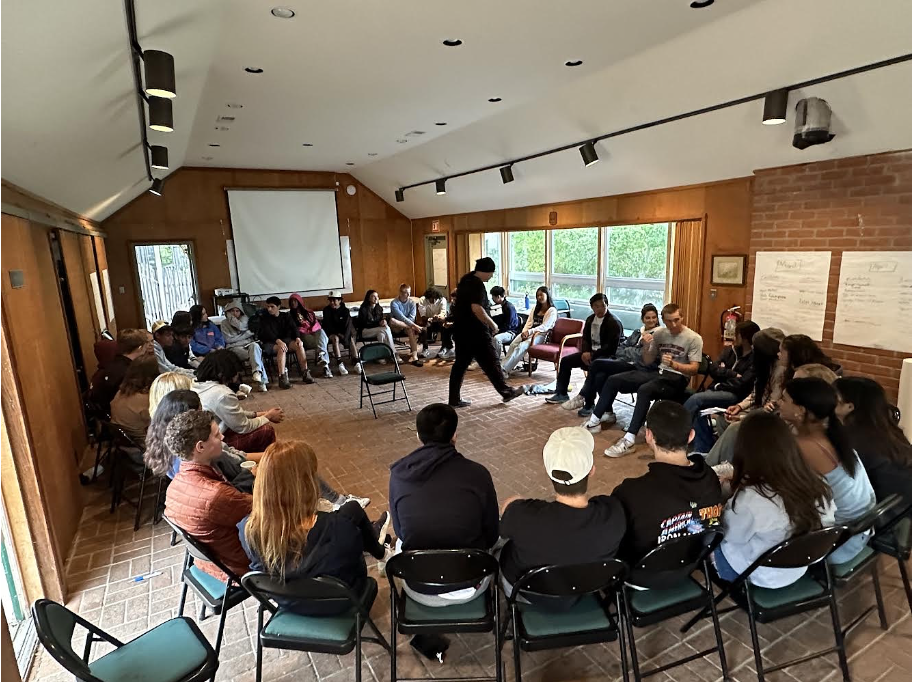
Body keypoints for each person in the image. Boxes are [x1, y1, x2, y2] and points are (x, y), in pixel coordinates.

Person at [238, 441, 390, 615]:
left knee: (351, 511)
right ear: (306, 483)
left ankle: (380, 548)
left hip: (289, 603)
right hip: (343, 602)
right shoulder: (337, 528)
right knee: (352, 509)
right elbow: (354, 564)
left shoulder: (247, 529)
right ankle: (382, 552)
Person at [388, 403, 499, 606]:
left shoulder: (399, 475)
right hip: (470, 582)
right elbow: (491, 535)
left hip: (418, 585)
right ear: (454, 435)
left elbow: (402, 533)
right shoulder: (477, 474)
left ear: (418, 436)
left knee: (399, 544)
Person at [499, 428, 625, 599]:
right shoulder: (613, 511)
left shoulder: (523, 516)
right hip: (588, 590)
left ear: (548, 471)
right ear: (591, 470)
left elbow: (507, 509)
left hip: (530, 595)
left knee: (499, 548)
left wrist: (521, 502)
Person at [713, 411, 835, 587]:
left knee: (704, 530)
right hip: (798, 567)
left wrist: (722, 507)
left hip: (759, 573)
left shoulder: (751, 499)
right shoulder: (817, 481)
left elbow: (730, 536)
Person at [587, 303, 704, 459]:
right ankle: (593, 422)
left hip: (678, 377)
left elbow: (695, 369)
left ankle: (629, 440)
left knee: (645, 390)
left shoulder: (694, 338)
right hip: (658, 374)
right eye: (669, 321)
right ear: (663, 320)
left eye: (677, 320)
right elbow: (648, 361)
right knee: (613, 380)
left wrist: (674, 364)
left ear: (682, 317)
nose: (673, 324)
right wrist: (647, 346)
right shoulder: (660, 334)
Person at [779, 378, 876, 564]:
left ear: (801, 410)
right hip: (860, 532)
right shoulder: (833, 433)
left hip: (838, 544)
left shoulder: (804, 446)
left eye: (784, 399)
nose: (778, 403)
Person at [611, 401, 723, 560]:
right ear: (691, 435)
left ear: (649, 436)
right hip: (690, 563)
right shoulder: (711, 477)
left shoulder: (631, 492)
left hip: (643, 577)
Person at [163, 410, 252, 579]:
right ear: (200, 447)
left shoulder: (174, 487)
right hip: (239, 567)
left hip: (208, 563)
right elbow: (266, 508)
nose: (222, 438)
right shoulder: (215, 494)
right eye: (217, 435)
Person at [835, 377, 912, 524]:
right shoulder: (889, 431)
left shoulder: (851, 441)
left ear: (849, 407)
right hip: (901, 514)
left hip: (876, 520)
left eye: (833, 396)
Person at [448, 258, 524, 407]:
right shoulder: (476, 284)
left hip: (462, 332)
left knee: (460, 365)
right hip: (476, 332)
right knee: (492, 362)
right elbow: (476, 308)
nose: (491, 276)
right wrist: (492, 323)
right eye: (491, 273)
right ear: (486, 271)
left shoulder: (466, 280)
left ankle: (454, 399)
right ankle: (506, 391)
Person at [562, 302, 661, 415]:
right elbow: (619, 349)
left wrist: (628, 351)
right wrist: (630, 351)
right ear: (643, 319)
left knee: (597, 363)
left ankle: (583, 395)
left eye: (654, 317)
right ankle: (607, 412)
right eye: (647, 318)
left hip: (636, 367)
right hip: (623, 362)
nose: (651, 320)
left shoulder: (658, 335)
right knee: (600, 376)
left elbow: (641, 356)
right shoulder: (638, 332)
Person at [684, 321, 760, 452]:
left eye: (737, 335)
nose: (734, 337)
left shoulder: (755, 359)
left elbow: (743, 384)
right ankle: (703, 448)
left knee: (696, 399)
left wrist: (721, 383)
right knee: (697, 408)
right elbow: (713, 368)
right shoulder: (729, 351)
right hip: (719, 389)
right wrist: (732, 373)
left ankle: (676, 434)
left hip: (735, 396)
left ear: (745, 338)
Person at [193, 350, 284, 452]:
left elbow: (231, 415)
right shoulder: (223, 394)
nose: (236, 377)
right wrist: (268, 417)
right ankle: (266, 461)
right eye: (235, 373)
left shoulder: (197, 383)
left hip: (205, 436)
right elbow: (243, 427)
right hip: (216, 441)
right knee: (266, 431)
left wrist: (258, 414)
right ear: (223, 374)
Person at [546, 293, 623, 404]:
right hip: (590, 353)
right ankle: (561, 393)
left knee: (594, 367)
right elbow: (585, 338)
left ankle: (589, 403)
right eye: (596, 306)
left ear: (607, 305)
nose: (600, 309)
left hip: (606, 356)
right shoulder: (590, 319)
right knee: (566, 361)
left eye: (603, 305)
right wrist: (586, 351)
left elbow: (611, 347)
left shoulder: (614, 323)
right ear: (592, 307)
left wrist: (592, 355)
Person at [88, 328, 152, 409]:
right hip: (122, 414)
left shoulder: (112, 364)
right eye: (146, 344)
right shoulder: (130, 371)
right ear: (140, 348)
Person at [258, 296, 311, 388]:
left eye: (272, 307)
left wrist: (298, 338)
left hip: (286, 341)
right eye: (268, 307)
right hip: (270, 343)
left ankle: (305, 373)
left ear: (278, 307)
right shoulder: (265, 319)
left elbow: (294, 328)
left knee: (299, 346)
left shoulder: (286, 316)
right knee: (281, 348)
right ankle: (282, 377)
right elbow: (267, 333)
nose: (269, 309)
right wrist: (278, 341)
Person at [502, 286, 558, 374]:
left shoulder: (552, 310)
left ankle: (505, 370)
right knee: (513, 344)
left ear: (547, 295)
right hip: (529, 333)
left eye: (541, 295)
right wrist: (524, 332)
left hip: (541, 335)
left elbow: (545, 327)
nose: (539, 297)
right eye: (537, 295)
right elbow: (529, 322)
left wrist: (529, 332)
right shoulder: (535, 308)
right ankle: (502, 367)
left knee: (521, 347)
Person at [110, 356, 160, 446]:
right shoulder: (145, 400)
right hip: (142, 448)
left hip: (124, 444)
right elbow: (160, 425)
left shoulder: (121, 392)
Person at [220, 299, 268, 391]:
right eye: (232, 311)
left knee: (255, 346)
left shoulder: (246, 320)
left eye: (237, 311)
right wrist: (245, 335)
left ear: (241, 312)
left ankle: (256, 372)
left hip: (248, 345)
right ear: (228, 312)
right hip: (234, 348)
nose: (234, 313)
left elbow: (237, 336)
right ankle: (262, 382)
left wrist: (237, 338)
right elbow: (228, 340)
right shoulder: (224, 323)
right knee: (256, 356)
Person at [289, 294, 332, 377]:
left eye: (295, 301)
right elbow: (294, 329)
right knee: (322, 341)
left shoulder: (308, 312)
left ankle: (325, 365)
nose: (293, 303)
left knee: (322, 333)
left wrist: (312, 329)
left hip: (314, 332)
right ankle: (323, 360)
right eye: (292, 302)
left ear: (299, 302)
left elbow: (316, 323)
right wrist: (305, 329)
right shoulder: (289, 315)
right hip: (303, 336)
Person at [321, 291, 361, 375]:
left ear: (339, 301)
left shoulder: (345, 311)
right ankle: (339, 362)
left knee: (350, 338)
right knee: (335, 339)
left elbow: (347, 325)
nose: (332, 302)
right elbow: (328, 325)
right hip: (332, 333)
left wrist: (345, 336)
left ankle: (356, 361)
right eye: (330, 300)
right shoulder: (326, 310)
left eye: (334, 300)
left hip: (343, 332)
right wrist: (338, 333)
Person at [389, 284, 424, 367]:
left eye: (409, 293)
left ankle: (414, 356)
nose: (408, 295)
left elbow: (411, 318)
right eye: (406, 293)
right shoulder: (394, 303)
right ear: (400, 293)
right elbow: (400, 316)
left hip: (407, 326)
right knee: (392, 321)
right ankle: (412, 327)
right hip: (396, 326)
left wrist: (411, 325)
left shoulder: (412, 303)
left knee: (410, 329)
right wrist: (415, 326)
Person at [357, 290, 397, 355]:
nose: (376, 298)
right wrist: (378, 324)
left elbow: (381, 320)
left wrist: (384, 322)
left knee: (381, 334)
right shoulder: (363, 309)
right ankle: (394, 352)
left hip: (377, 330)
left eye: (377, 296)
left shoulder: (379, 308)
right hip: (365, 331)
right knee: (386, 329)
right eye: (373, 296)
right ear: (368, 298)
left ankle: (381, 355)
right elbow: (365, 324)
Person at [417, 288, 448, 360]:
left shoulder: (442, 300)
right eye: (431, 299)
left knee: (444, 325)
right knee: (423, 327)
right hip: (427, 320)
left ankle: (444, 347)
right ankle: (425, 348)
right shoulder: (422, 300)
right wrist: (430, 319)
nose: (433, 301)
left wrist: (438, 317)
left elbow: (443, 313)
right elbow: (423, 316)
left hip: (439, 320)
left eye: (435, 299)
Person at [489, 286, 521, 350]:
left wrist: (497, 331)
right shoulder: (496, 307)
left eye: (493, 297)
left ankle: (496, 359)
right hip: (500, 330)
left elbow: (509, 325)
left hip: (511, 332)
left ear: (498, 296)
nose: (492, 299)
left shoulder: (509, 307)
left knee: (496, 339)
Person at [434, 290, 458, 360]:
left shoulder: (463, 306)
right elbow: (451, 316)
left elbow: (459, 317)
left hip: (464, 325)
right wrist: (447, 322)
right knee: (444, 328)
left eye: (455, 299)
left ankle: (459, 351)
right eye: (452, 299)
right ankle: (449, 348)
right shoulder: (453, 305)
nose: (453, 300)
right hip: (456, 323)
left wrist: (445, 319)